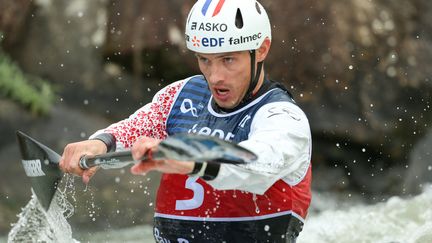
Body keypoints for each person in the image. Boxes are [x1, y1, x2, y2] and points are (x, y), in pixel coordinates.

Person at [60, 0, 312, 242]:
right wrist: (101, 143)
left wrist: (193, 160)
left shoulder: (283, 118)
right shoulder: (182, 94)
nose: (215, 77)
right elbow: (137, 126)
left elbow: (259, 164)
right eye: (204, 59)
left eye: (228, 60)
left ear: (261, 49)